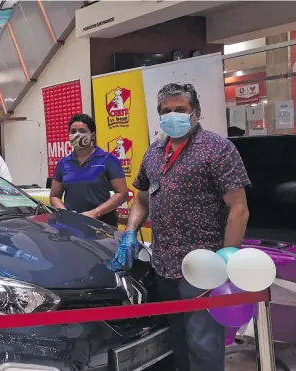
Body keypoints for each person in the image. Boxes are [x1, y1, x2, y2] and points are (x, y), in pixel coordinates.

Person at [109, 83, 250, 371]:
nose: (172, 116)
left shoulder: (217, 148)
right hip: (164, 266)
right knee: (177, 345)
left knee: (204, 346)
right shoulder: (154, 152)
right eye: (166, 111)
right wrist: (130, 232)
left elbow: (239, 208)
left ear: (195, 113)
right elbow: (141, 199)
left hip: (203, 267)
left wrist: (226, 259)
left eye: (180, 110)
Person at [49, 114, 129, 226]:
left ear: (92, 135)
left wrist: (96, 212)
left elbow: (122, 193)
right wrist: (66, 213)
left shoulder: (108, 159)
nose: (77, 135)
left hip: (102, 225)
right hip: (72, 224)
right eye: (73, 131)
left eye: (82, 131)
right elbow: (54, 196)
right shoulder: (63, 163)